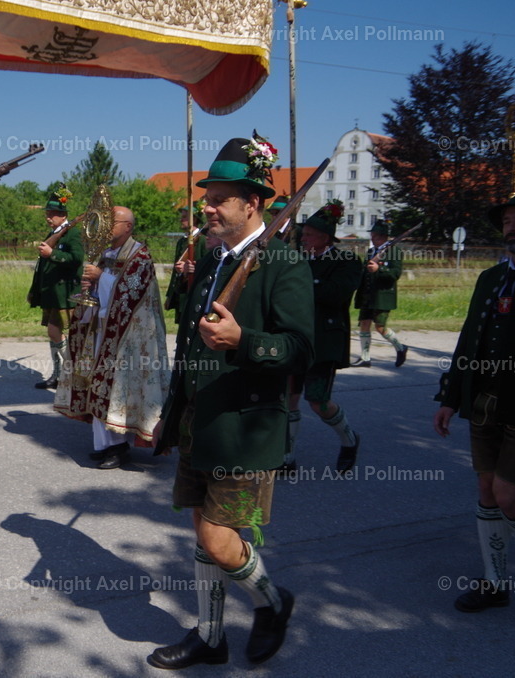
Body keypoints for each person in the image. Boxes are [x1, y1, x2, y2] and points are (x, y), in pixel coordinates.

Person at [149, 135, 313, 669]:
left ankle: (272, 601)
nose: (209, 207)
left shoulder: (283, 263)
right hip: (201, 417)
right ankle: (211, 636)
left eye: (220, 199)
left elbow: (299, 349)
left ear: (254, 203)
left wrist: (245, 342)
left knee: (222, 542)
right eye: (208, 197)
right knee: (201, 527)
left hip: (245, 429)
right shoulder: (215, 259)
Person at [434, 183, 515, 618]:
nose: (513, 227)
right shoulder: (490, 277)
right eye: (508, 220)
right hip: (484, 404)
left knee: (511, 495)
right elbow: (467, 342)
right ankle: (494, 582)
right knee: (486, 490)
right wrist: (450, 398)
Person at [54, 205, 168, 470]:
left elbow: (132, 292)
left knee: (118, 389)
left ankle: (119, 446)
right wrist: (89, 291)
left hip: (128, 337)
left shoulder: (140, 255)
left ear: (127, 226)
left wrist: (101, 277)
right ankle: (103, 444)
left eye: (111, 221)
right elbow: (102, 290)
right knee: (97, 384)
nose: (106, 226)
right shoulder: (105, 254)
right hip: (100, 329)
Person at [282, 200, 363, 474]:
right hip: (295, 339)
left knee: (318, 402)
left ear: (325, 238)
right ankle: (288, 458)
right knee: (289, 397)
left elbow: (336, 294)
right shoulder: (297, 258)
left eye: (309, 234)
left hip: (323, 342)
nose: (303, 238)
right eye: (303, 234)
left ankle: (349, 439)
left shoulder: (346, 261)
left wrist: (303, 281)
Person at [27, 185, 84, 389]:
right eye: (48, 214)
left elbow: (77, 259)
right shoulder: (53, 233)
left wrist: (53, 254)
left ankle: (73, 368)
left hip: (64, 293)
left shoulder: (73, 234)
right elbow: (41, 267)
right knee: (52, 334)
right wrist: (34, 291)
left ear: (63, 216)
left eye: (53, 214)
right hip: (50, 293)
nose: (48, 217)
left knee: (54, 331)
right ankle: (58, 375)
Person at [353, 219, 408, 367]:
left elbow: (395, 274)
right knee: (364, 324)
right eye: (372, 234)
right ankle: (365, 358)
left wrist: (379, 269)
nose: (372, 238)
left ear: (384, 237)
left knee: (380, 327)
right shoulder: (371, 251)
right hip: (367, 294)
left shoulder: (394, 251)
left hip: (382, 295)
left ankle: (401, 348)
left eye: (376, 235)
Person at [164, 200, 208, 326]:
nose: (181, 220)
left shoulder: (203, 241)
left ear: (193, 219)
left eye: (184, 217)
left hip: (194, 292)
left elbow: (206, 265)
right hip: (181, 292)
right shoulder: (181, 242)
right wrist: (170, 295)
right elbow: (175, 271)